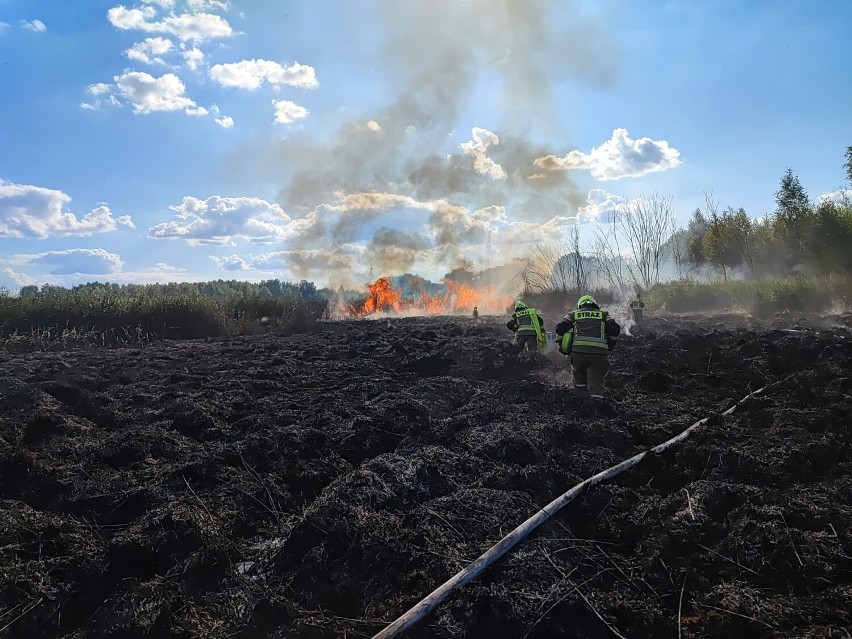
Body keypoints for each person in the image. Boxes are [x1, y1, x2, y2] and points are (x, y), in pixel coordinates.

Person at [554, 295, 620, 402]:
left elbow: (560, 328)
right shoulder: (604, 315)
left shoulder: (573, 314)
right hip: (599, 356)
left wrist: (563, 347)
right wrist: (610, 346)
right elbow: (615, 329)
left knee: (579, 379)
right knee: (596, 383)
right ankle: (597, 408)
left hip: (578, 355)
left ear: (580, 305)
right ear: (594, 305)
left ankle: (581, 404)